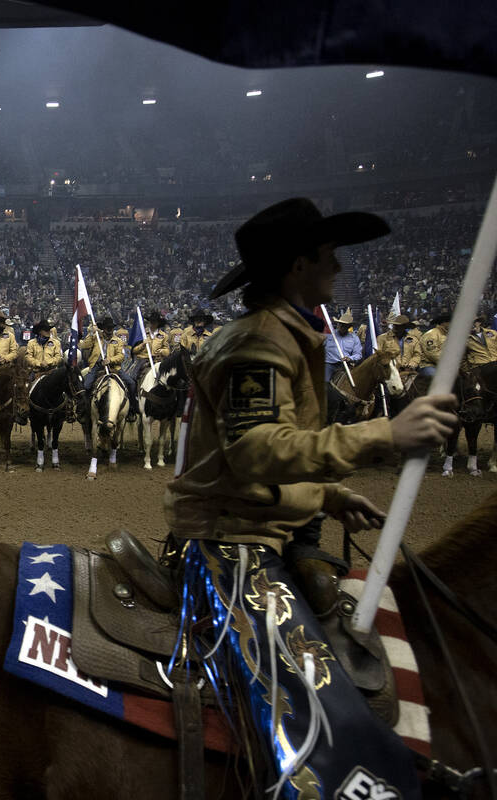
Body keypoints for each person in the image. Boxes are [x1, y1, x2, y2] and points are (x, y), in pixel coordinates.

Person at [165, 197, 458, 799]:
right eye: (329, 255)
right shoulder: (259, 343)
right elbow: (254, 449)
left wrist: (324, 496)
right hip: (233, 544)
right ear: (298, 265)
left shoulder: (285, 334)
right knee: (322, 720)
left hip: (256, 525)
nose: (339, 267)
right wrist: (386, 433)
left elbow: (255, 456)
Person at [80, 317, 124, 392]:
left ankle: (133, 403)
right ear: (103, 328)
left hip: (114, 366)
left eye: (111, 328)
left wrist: (110, 360)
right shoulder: (95, 337)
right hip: (97, 365)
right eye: (107, 328)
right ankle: (85, 403)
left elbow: (121, 356)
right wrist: (91, 333)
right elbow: (84, 346)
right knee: (86, 386)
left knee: (131, 383)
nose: (109, 330)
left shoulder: (118, 341)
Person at [325, 309, 363, 382]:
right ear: (338, 324)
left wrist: (350, 358)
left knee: (354, 382)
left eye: (345, 325)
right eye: (340, 324)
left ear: (349, 327)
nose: (342, 327)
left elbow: (358, 354)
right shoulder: (329, 335)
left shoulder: (354, 338)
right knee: (324, 383)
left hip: (345, 365)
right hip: (329, 364)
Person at [416, 313, 450, 377]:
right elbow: (432, 354)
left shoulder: (447, 334)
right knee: (437, 377)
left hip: (443, 365)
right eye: (450, 322)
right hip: (428, 365)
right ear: (444, 323)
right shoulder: (431, 334)